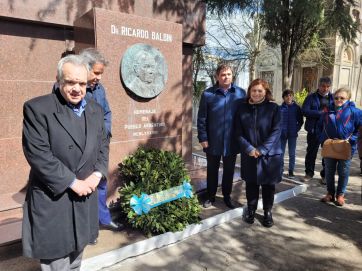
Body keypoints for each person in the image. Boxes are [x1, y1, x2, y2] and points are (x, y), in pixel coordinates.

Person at [22, 55, 109, 270]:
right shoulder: (37, 109)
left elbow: (103, 145)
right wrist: (73, 182)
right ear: (59, 80)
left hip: (85, 196)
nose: (77, 89)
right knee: (56, 263)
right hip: (55, 198)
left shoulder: (96, 110)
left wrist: (97, 175)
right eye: (70, 82)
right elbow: (38, 154)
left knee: (77, 257)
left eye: (82, 83)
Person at [79, 48, 123, 234]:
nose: (99, 77)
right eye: (96, 72)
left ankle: (103, 220)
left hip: (99, 146)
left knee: (101, 183)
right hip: (80, 148)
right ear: (84, 68)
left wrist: (105, 134)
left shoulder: (99, 89)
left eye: (101, 73)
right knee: (84, 186)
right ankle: (88, 229)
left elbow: (107, 112)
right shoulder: (71, 88)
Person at [197, 64, 246, 209]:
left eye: (229, 74)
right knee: (212, 170)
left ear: (232, 76)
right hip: (213, 141)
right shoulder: (208, 94)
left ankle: (226, 196)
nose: (226, 77)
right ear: (217, 76)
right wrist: (203, 138)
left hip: (232, 141)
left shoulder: (240, 94)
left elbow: (246, 116)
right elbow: (202, 118)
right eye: (223, 75)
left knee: (229, 171)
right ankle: (210, 196)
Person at [235, 78, 282, 227]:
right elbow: (238, 132)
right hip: (249, 154)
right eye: (253, 90)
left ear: (266, 92)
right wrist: (249, 148)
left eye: (260, 90)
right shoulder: (242, 108)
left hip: (269, 155)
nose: (256, 93)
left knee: (268, 186)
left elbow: (276, 131)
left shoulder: (274, 108)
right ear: (249, 91)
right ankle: (251, 209)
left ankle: (267, 212)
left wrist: (261, 149)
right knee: (251, 184)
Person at [318, 88, 362, 206]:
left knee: (343, 171)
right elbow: (320, 125)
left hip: (346, 146)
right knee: (329, 171)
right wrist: (323, 139)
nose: (338, 100)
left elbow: (359, 129)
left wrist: (352, 140)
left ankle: (340, 195)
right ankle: (330, 194)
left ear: (348, 99)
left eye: (342, 98)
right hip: (330, 145)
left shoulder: (355, 112)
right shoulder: (327, 110)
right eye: (336, 98)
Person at [302, 77, 334, 183]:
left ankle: (324, 175)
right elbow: (305, 111)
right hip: (314, 130)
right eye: (323, 86)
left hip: (328, 130)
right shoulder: (311, 97)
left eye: (327, 87)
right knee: (311, 152)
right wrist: (319, 113)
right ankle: (309, 173)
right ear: (319, 86)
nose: (325, 89)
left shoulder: (333, 98)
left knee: (327, 154)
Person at [279, 89, 304, 178]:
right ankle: (280, 170)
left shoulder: (297, 108)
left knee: (292, 153)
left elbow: (300, 121)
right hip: (282, 135)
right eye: (286, 96)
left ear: (292, 96)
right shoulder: (280, 108)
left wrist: (295, 129)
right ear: (283, 98)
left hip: (292, 134)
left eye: (290, 95)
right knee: (280, 153)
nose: (288, 97)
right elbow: (277, 122)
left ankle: (291, 171)